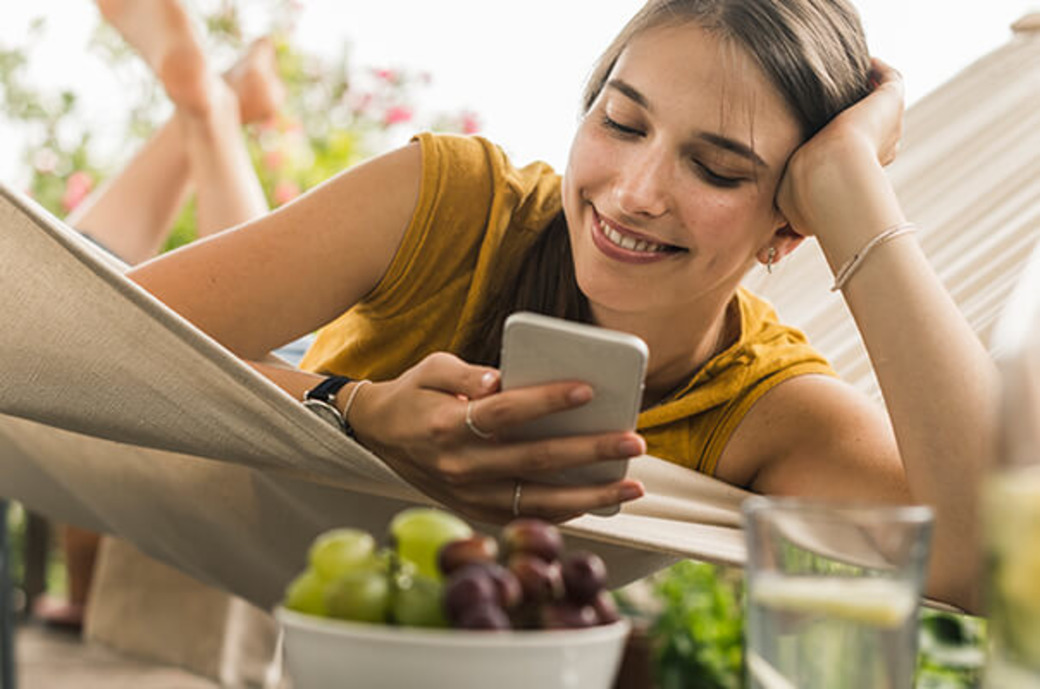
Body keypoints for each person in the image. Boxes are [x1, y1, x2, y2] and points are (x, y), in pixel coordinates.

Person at [125, 0, 997, 613]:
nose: (636, 193)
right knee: (114, 251)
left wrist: (854, 192)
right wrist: (344, 406)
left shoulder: (758, 404)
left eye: (718, 169)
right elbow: (82, 336)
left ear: (789, 230)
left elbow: (983, 561)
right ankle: (204, 104)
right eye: (622, 123)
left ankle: (208, 109)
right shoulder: (452, 205)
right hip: (213, 467)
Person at [34, 0, 286, 628]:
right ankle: (209, 105)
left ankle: (211, 104)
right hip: (289, 390)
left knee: (72, 323)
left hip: (278, 379)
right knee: (75, 315)